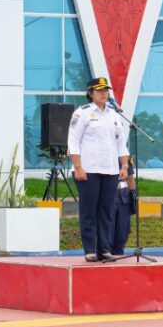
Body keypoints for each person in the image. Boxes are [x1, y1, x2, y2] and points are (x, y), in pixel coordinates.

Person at [67, 76, 130, 263]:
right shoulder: (83, 113)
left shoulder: (114, 114)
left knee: (106, 210)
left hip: (110, 170)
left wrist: (124, 165)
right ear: (90, 93)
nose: (104, 93)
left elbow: (121, 143)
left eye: (106, 90)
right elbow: (73, 141)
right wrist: (78, 167)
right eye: (100, 90)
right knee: (89, 211)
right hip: (88, 170)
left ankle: (104, 249)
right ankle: (89, 250)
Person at [111, 158, 138, 258]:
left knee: (122, 233)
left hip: (123, 199)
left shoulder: (125, 159)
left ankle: (118, 259)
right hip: (107, 197)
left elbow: (130, 178)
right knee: (106, 233)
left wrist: (133, 199)